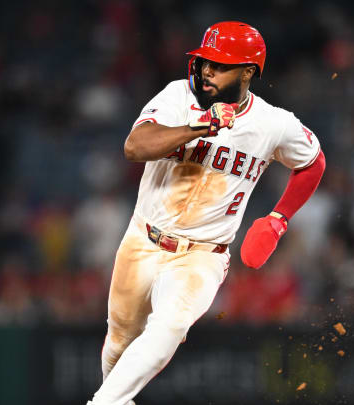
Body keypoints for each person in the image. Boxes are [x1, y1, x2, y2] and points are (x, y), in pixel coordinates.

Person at [87, 21, 326, 404]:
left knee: (168, 327)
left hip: (202, 255)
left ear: (248, 72)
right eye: (203, 61)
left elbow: (313, 163)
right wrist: (198, 125)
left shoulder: (273, 123)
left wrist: (279, 218)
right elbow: (136, 146)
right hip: (142, 239)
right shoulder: (178, 97)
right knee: (118, 344)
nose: (206, 70)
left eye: (219, 64)